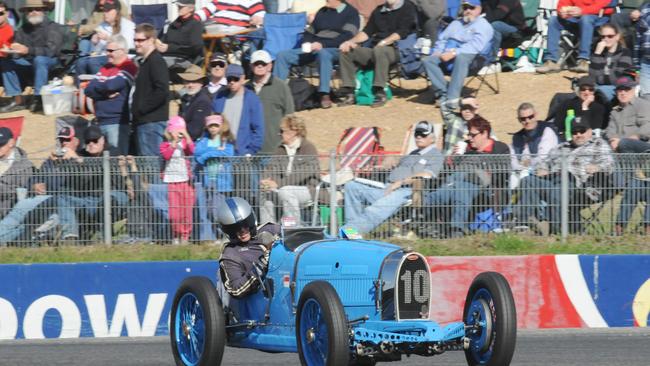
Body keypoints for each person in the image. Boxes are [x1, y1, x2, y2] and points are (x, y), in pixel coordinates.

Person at [343, 121, 444, 234]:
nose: (419, 137)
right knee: (352, 186)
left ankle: (350, 232)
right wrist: (384, 166)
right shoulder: (413, 153)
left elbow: (427, 175)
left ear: (432, 138)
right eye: (417, 134)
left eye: (423, 134)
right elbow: (397, 168)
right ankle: (351, 228)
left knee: (376, 208)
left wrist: (400, 182)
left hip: (408, 191)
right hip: (387, 187)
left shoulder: (435, 155)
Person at [517, 118, 614, 234]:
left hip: (576, 184)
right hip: (552, 180)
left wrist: (598, 167)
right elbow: (544, 162)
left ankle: (556, 230)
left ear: (589, 131)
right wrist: (542, 168)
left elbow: (609, 163)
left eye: (581, 131)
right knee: (527, 180)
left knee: (561, 185)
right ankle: (524, 224)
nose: (578, 135)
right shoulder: (562, 146)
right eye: (574, 132)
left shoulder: (598, 144)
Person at [424, 116, 510, 237]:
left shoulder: (500, 148)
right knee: (457, 186)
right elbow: (447, 169)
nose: (469, 138)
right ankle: (455, 229)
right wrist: (452, 158)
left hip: (483, 184)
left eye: (473, 135)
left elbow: (504, 171)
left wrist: (484, 165)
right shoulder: (466, 147)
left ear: (484, 133)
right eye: (469, 134)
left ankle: (423, 211)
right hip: (458, 181)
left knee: (456, 185)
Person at [273, 0, 360, 108]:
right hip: (315, 47)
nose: (325, 1)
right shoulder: (322, 11)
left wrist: (322, 44)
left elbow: (347, 36)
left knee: (323, 53)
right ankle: (274, 92)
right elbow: (310, 31)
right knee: (282, 56)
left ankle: (324, 93)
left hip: (337, 49)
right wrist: (307, 44)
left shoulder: (351, 12)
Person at [0, 127, 77, 245]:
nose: (64, 143)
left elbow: (81, 182)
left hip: (56, 203)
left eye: (67, 140)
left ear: (76, 141)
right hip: (34, 202)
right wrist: (34, 186)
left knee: (26, 216)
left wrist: (74, 159)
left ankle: (21, 236)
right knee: (22, 210)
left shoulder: (80, 159)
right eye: (61, 140)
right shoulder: (50, 161)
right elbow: (34, 179)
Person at [337, 0, 417, 108]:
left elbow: (403, 31)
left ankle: (379, 91)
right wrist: (350, 42)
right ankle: (350, 92)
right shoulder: (379, 10)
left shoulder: (408, 7)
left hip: (397, 49)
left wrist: (384, 42)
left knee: (380, 50)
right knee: (347, 51)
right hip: (375, 49)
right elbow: (367, 32)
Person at [56, 125, 125, 241]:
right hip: (89, 199)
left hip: (114, 196)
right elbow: (74, 180)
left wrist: (79, 160)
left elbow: (103, 169)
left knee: (109, 199)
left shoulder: (113, 151)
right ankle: (70, 236)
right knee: (62, 197)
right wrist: (57, 162)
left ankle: (105, 236)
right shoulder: (82, 154)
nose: (91, 144)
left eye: (95, 140)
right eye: (88, 141)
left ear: (102, 140)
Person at [421, 0, 493, 110]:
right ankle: (443, 93)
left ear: (479, 9)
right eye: (465, 8)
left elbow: (476, 46)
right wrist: (438, 51)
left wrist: (454, 52)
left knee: (461, 58)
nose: (468, 11)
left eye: (471, 8)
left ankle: (452, 98)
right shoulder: (456, 23)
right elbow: (442, 39)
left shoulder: (483, 25)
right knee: (428, 60)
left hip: (473, 56)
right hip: (449, 53)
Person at [0, 0, 64, 113]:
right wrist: (12, 50)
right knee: (6, 62)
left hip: (50, 62)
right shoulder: (23, 29)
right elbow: (17, 49)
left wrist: (28, 50)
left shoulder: (53, 27)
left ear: (44, 11)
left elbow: (51, 51)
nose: (33, 12)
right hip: (28, 62)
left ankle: (38, 98)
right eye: (30, 10)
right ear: (26, 13)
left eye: (37, 9)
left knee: (39, 60)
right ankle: (17, 100)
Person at [259, 115, 320, 226]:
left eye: (282, 131)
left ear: (294, 131)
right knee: (266, 193)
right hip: (282, 188)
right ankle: (268, 231)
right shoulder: (280, 148)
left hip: (308, 189)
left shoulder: (308, 147)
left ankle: (292, 229)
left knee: (286, 192)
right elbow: (271, 168)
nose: (280, 134)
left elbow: (304, 173)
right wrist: (266, 181)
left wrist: (278, 183)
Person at [84, 34, 137, 155]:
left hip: (117, 123)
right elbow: (88, 90)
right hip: (100, 121)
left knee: (117, 162)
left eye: (111, 50)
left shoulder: (129, 66)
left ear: (122, 51)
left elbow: (112, 85)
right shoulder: (105, 68)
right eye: (106, 50)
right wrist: (105, 95)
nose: (107, 53)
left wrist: (100, 89)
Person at [215, 197, 272, 298]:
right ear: (228, 231)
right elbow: (236, 290)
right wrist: (261, 266)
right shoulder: (230, 255)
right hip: (259, 299)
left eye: (245, 224)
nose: (242, 231)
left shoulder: (270, 229)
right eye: (235, 228)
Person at [536, 0, 613, 74]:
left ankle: (584, 60)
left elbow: (602, 5)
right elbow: (563, 4)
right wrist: (562, 12)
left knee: (585, 19)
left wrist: (582, 11)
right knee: (553, 20)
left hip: (599, 18)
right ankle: (551, 60)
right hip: (577, 18)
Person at [132, 23, 170, 157]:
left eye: (140, 40)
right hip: (145, 121)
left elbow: (162, 90)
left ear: (151, 40)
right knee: (148, 169)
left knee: (151, 168)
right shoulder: (145, 62)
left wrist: (142, 108)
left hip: (152, 122)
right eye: (135, 40)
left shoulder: (156, 61)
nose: (137, 44)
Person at [247, 50, 295, 155]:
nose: (260, 66)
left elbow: (290, 116)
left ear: (270, 66)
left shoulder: (281, 87)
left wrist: (287, 140)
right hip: (249, 150)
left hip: (274, 149)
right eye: (256, 63)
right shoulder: (245, 88)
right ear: (251, 66)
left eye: (263, 64)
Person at [212, 64, 264, 156]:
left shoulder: (252, 99)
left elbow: (258, 128)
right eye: (229, 79)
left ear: (243, 78)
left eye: (235, 79)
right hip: (221, 151)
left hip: (242, 153)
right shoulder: (219, 98)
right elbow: (211, 123)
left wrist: (251, 151)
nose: (232, 82)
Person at [75, 0, 135, 78]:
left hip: (120, 56)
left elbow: (128, 46)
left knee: (93, 62)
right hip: (104, 55)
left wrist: (108, 39)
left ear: (116, 11)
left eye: (108, 11)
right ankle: (83, 87)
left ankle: (102, 84)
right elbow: (97, 51)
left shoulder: (127, 25)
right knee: (80, 62)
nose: (105, 13)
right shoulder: (102, 25)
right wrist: (95, 42)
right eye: (104, 10)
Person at [160, 116, 196, 245]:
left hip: (185, 181)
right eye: (176, 130)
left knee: (186, 211)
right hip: (172, 181)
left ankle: (185, 235)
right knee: (175, 213)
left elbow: (192, 151)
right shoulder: (165, 144)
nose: (178, 133)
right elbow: (166, 155)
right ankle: (176, 234)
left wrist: (186, 135)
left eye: (180, 130)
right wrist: (174, 143)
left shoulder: (184, 144)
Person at [194, 115, 236, 205]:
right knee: (207, 205)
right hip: (206, 178)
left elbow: (229, 153)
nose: (213, 128)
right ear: (207, 127)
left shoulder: (225, 140)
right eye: (210, 126)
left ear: (221, 126)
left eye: (216, 125)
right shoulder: (203, 141)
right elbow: (197, 152)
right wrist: (216, 150)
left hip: (221, 178)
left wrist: (207, 155)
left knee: (219, 206)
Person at [156, 0, 204, 74]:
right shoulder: (172, 25)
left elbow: (195, 47)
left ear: (191, 9)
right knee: (142, 60)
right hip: (165, 57)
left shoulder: (195, 25)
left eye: (181, 6)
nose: (178, 8)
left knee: (155, 64)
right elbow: (162, 41)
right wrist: (158, 43)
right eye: (178, 6)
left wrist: (169, 48)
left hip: (183, 59)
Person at [510, 102, 560, 174]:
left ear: (535, 115)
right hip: (524, 174)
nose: (527, 121)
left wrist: (527, 163)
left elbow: (543, 158)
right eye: (523, 119)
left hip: (549, 174)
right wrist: (522, 167)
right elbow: (513, 161)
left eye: (530, 117)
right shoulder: (517, 137)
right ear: (519, 120)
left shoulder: (547, 130)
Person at [605, 75, 650, 153]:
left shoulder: (643, 104)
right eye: (620, 90)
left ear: (633, 90)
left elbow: (647, 126)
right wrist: (612, 140)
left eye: (626, 89)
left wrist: (636, 136)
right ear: (616, 92)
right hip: (621, 145)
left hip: (642, 145)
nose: (623, 93)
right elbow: (610, 130)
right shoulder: (615, 111)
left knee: (624, 143)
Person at [589, 23, 634, 101]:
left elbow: (617, 78)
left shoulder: (625, 52)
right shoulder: (598, 53)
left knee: (599, 93)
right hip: (598, 87)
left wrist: (599, 79)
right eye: (603, 36)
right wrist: (597, 54)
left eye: (610, 36)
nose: (606, 39)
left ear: (617, 37)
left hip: (618, 89)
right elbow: (592, 76)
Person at [0, 127, 33, 220]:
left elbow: (20, 190)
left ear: (11, 143)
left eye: (1, 145)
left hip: (11, 213)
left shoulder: (25, 166)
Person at [177, 64, 213, 141]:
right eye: (187, 81)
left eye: (194, 81)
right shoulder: (185, 99)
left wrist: (179, 132)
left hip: (196, 143)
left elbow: (195, 131)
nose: (190, 85)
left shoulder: (203, 101)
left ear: (201, 83)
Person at [195, 0, 265, 32]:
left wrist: (257, 19)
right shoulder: (218, 1)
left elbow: (259, 17)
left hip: (235, 34)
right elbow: (204, 12)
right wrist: (192, 19)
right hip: (214, 31)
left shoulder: (252, 1)